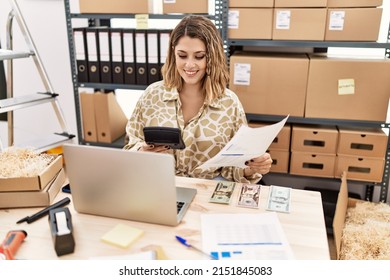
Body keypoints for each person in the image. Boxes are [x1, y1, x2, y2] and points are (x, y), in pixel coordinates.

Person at [124, 15, 272, 184]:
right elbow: (130, 145)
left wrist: (253, 166)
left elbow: (234, 166)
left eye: (199, 56)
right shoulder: (152, 95)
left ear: (212, 57)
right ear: (173, 54)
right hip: (158, 186)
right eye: (182, 55)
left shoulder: (229, 104)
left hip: (206, 192)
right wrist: (140, 152)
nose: (189, 65)